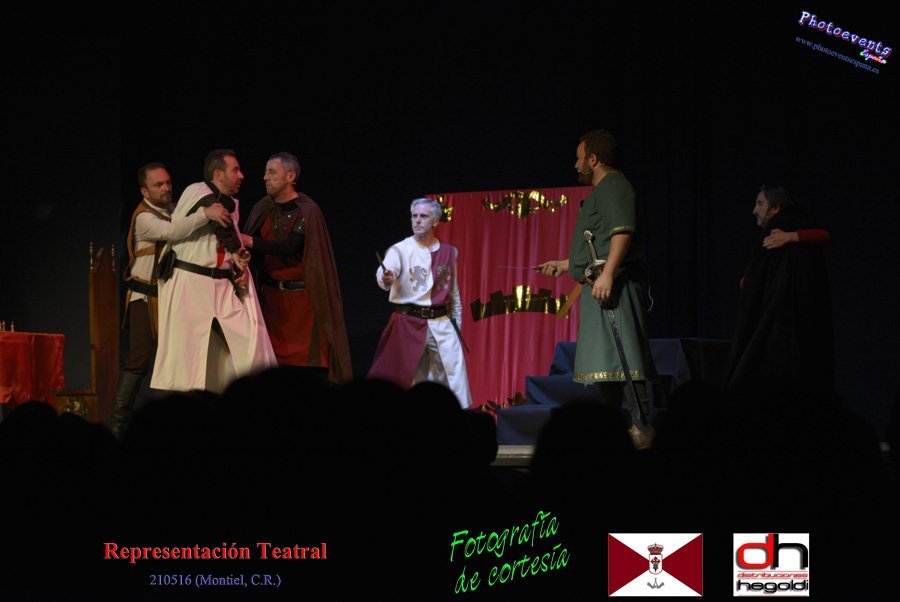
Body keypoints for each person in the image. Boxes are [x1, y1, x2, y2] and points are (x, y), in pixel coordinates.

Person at [538, 129, 656, 449]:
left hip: (613, 288)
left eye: (579, 158)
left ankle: (642, 428)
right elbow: (599, 243)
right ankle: (614, 432)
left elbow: (622, 233)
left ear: (593, 159)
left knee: (625, 356)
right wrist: (567, 264)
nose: (576, 165)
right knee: (608, 365)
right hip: (601, 287)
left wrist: (608, 275)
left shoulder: (614, 186)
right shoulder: (602, 190)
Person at [109, 163, 232, 437]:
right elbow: (172, 232)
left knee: (180, 358)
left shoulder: (176, 210)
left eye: (167, 182)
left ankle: (178, 425)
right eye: (158, 185)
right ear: (145, 191)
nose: (166, 188)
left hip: (172, 298)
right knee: (139, 360)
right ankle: (117, 427)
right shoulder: (144, 218)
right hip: (145, 297)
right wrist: (204, 213)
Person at [150, 149, 277, 393]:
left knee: (250, 337)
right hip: (192, 283)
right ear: (218, 174)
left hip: (221, 283)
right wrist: (205, 214)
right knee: (188, 355)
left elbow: (231, 238)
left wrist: (238, 258)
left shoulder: (231, 204)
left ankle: (256, 393)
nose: (241, 175)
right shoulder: (196, 191)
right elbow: (177, 230)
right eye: (235, 170)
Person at [240, 152, 352, 384]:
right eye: (265, 172)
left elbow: (290, 246)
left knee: (305, 371)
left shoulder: (307, 211)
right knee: (272, 370)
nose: (265, 177)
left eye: (272, 172)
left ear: (290, 176)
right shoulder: (263, 208)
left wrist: (249, 241)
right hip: (271, 303)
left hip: (302, 305)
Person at [367, 198, 472, 408]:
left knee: (451, 378)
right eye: (414, 216)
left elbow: (453, 294)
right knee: (403, 376)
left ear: (435, 221)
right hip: (408, 322)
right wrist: (386, 279)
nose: (417, 220)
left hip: (441, 323)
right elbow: (386, 272)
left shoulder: (450, 252)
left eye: (423, 216)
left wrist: (456, 329)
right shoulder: (400, 249)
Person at [727, 185, 833, 391]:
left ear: (775, 208)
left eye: (760, 204)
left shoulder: (779, 230)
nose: (755, 210)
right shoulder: (784, 230)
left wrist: (791, 236)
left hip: (782, 326)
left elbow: (824, 234)